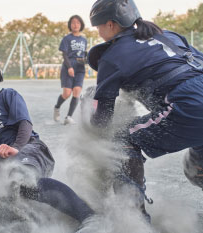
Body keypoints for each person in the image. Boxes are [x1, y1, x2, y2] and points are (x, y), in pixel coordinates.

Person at [87, 0, 203, 222]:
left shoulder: (112, 55)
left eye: (98, 27)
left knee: (120, 139)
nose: (99, 32)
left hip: (189, 105)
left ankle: (134, 217)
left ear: (111, 25)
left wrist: (94, 144)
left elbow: (102, 118)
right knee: (195, 168)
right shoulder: (168, 35)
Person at [0, 53, 94, 226]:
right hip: (9, 167)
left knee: (22, 180)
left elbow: (25, 125)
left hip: (31, 150)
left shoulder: (9, 95)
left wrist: (17, 147)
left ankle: (88, 216)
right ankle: (13, 214)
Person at [53, 15, 87, 125]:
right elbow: (65, 54)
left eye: (77, 22)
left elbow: (84, 54)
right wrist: (69, 67)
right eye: (73, 22)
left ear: (81, 24)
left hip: (80, 68)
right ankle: (57, 107)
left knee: (77, 91)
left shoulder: (84, 40)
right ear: (70, 25)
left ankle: (68, 117)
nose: (75, 24)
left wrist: (86, 60)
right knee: (67, 93)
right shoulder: (67, 38)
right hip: (69, 66)